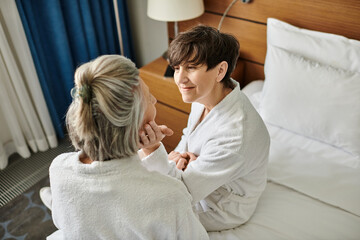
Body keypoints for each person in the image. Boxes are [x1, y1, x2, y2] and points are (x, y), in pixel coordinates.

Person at [46, 55, 209, 240]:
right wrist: (173, 183)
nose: (154, 100)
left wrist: (153, 151)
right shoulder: (170, 197)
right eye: (148, 97)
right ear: (137, 124)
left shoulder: (59, 168)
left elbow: (63, 223)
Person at [139, 25, 270, 231]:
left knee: (141, 213)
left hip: (220, 206)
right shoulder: (207, 93)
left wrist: (153, 149)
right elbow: (189, 135)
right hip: (197, 178)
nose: (180, 79)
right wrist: (177, 158)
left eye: (191, 67)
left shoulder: (235, 134)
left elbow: (181, 194)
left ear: (220, 70)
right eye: (176, 68)